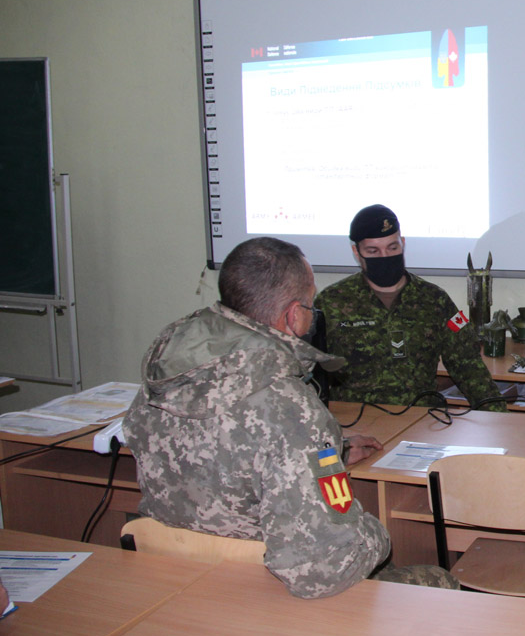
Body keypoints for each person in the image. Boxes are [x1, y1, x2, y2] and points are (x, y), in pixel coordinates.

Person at [124, 237, 393, 599]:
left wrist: (331, 454)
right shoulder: (293, 410)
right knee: (434, 582)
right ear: (293, 315)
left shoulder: (167, 377)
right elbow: (323, 570)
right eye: (310, 305)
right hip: (259, 597)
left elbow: (225, 448)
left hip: (171, 586)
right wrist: (379, 534)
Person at [316, 204, 505, 411]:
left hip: (420, 417)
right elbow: (309, 369)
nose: (385, 256)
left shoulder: (435, 300)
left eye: (392, 248)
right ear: (356, 251)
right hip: (355, 419)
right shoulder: (331, 303)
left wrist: (498, 417)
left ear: (403, 243)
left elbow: (468, 365)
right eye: (373, 251)